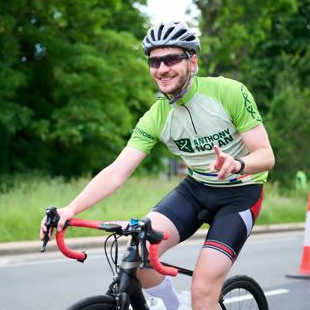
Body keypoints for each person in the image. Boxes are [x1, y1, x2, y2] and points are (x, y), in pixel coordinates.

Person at [40, 21, 275, 309]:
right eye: (154, 61)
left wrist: (238, 164)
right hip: (197, 187)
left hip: (240, 192)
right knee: (138, 255)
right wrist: (70, 209)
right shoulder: (157, 116)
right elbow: (117, 171)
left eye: (172, 58)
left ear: (193, 61)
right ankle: (173, 306)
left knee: (203, 292)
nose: (162, 68)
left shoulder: (229, 92)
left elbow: (266, 156)